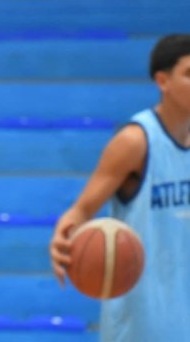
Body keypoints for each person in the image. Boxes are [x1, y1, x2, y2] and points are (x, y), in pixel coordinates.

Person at [49, 34, 190, 342]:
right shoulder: (135, 141)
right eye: (189, 74)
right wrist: (65, 234)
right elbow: (81, 210)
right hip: (142, 321)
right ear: (163, 81)